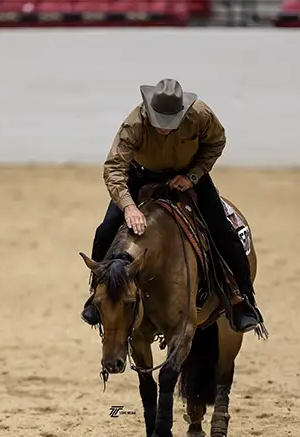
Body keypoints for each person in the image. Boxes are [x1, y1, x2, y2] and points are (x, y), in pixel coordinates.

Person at [80, 78, 265, 333]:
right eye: (159, 123)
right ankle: (99, 294)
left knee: (222, 231)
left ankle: (242, 298)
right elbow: (114, 167)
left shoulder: (201, 115)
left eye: (170, 123)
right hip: (141, 175)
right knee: (106, 229)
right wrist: (129, 206)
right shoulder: (134, 123)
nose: (164, 129)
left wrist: (193, 176)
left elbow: (216, 143)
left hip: (188, 175)